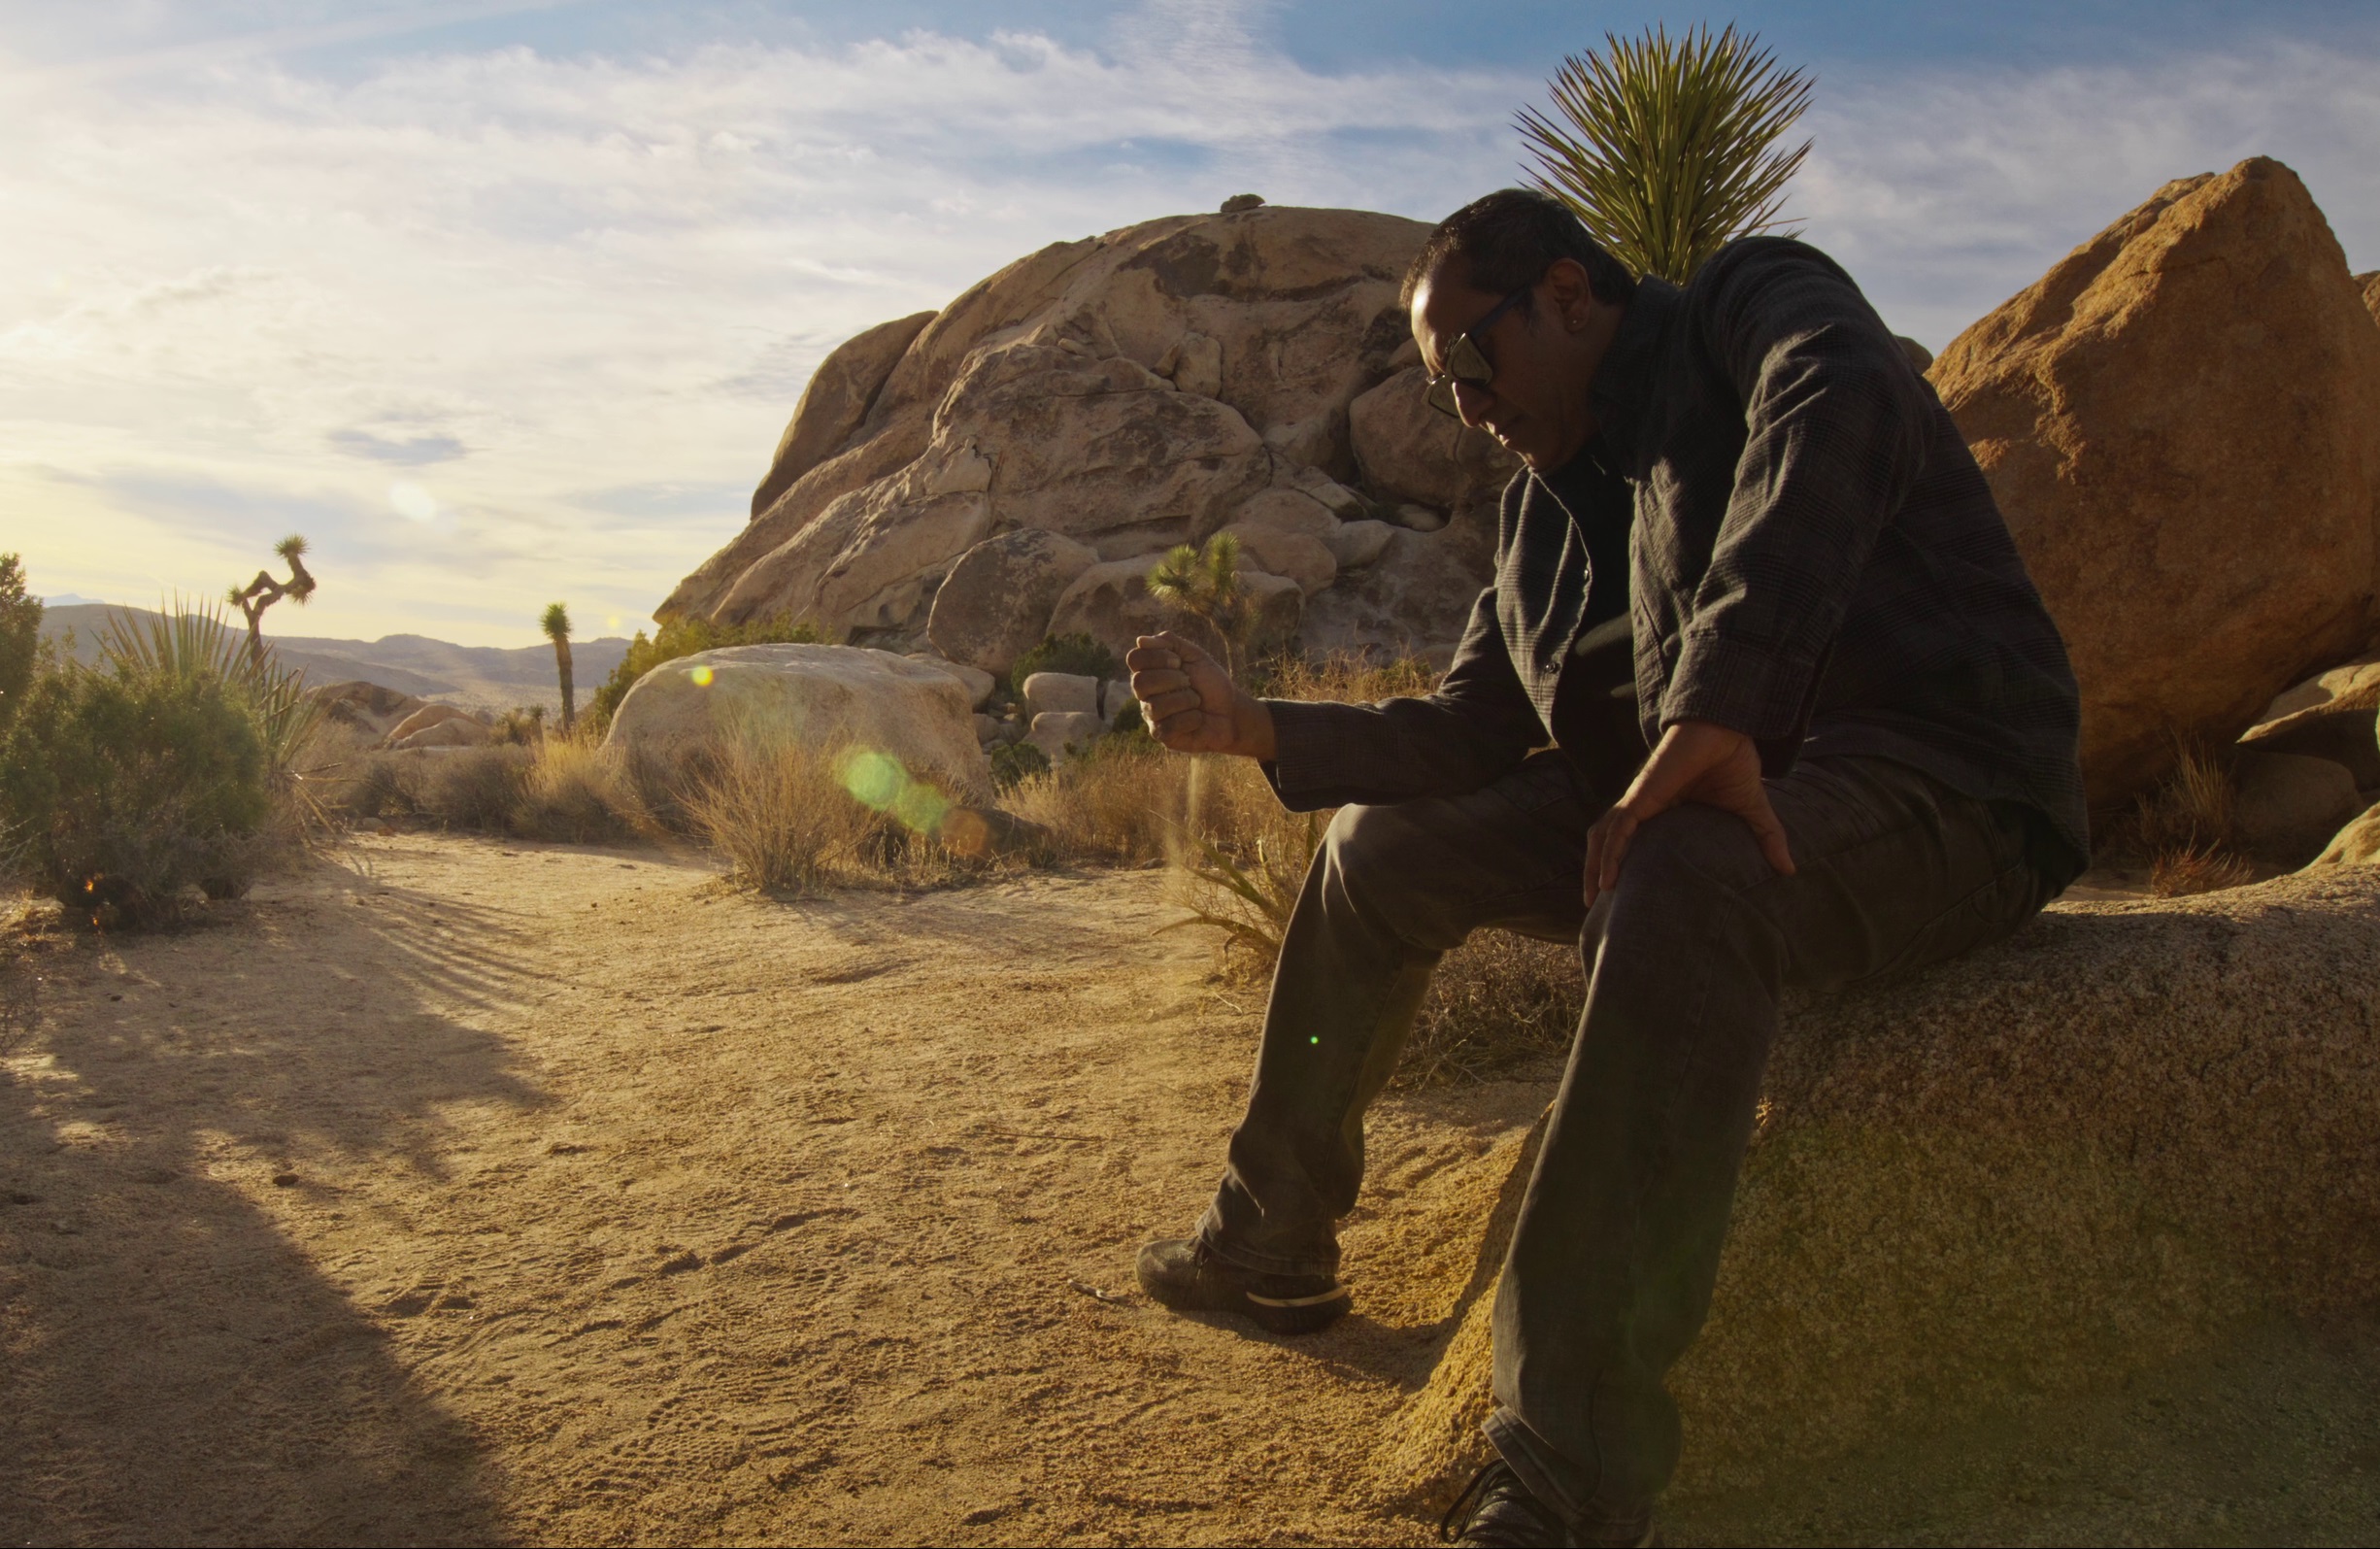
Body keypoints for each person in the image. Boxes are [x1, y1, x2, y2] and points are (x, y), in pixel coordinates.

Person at [1124, 188, 2088, 1548]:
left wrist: (1723, 703)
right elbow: (1467, 730)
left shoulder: (1750, 312)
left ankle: (1568, 1463)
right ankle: (1271, 1237)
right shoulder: (1534, 523)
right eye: (1436, 377)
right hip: (1687, 809)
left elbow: (1846, 389)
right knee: (1377, 846)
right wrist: (1261, 727)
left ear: (1571, 296)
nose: (1462, 402)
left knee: (1689, 872)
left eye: (1473, 359)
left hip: (1946, 780)